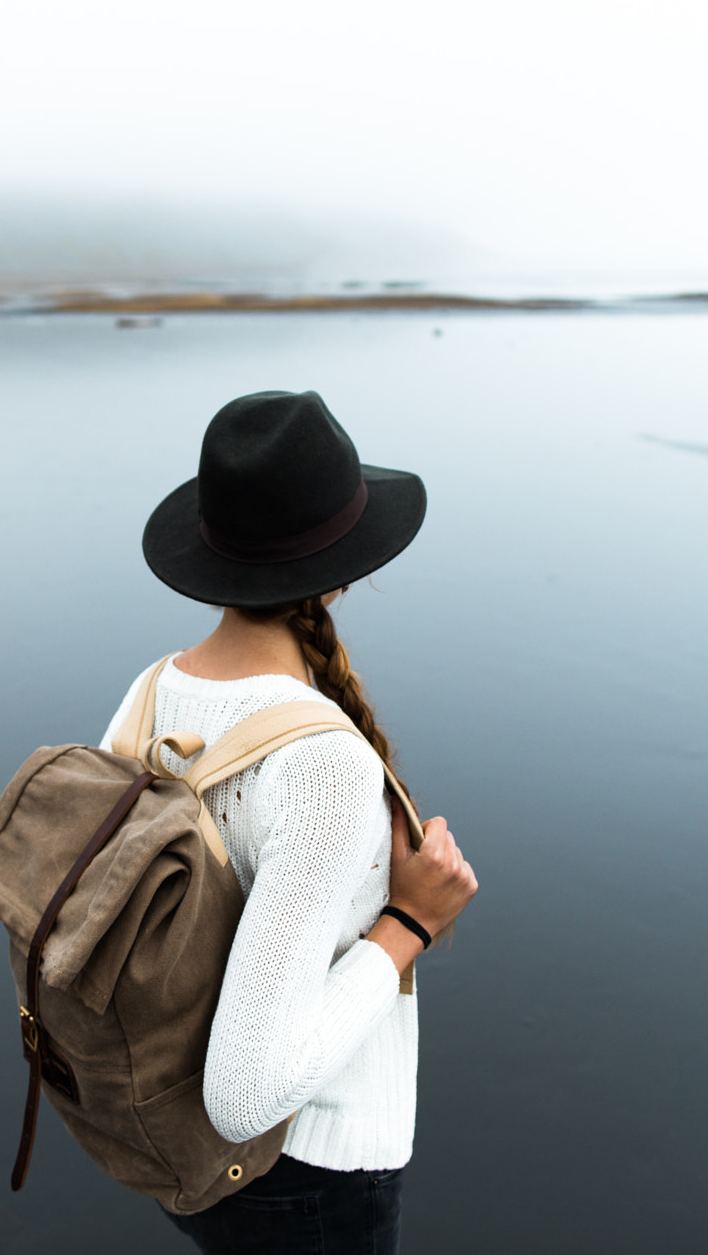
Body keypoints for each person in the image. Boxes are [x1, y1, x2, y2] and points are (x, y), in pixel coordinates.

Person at [99, 389, 479, 1255]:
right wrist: (412, 922)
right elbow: (246, 1092)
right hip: (300, 1174)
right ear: (341, 569)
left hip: (173, 1137)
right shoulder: (324, 767)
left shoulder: (153, 691)